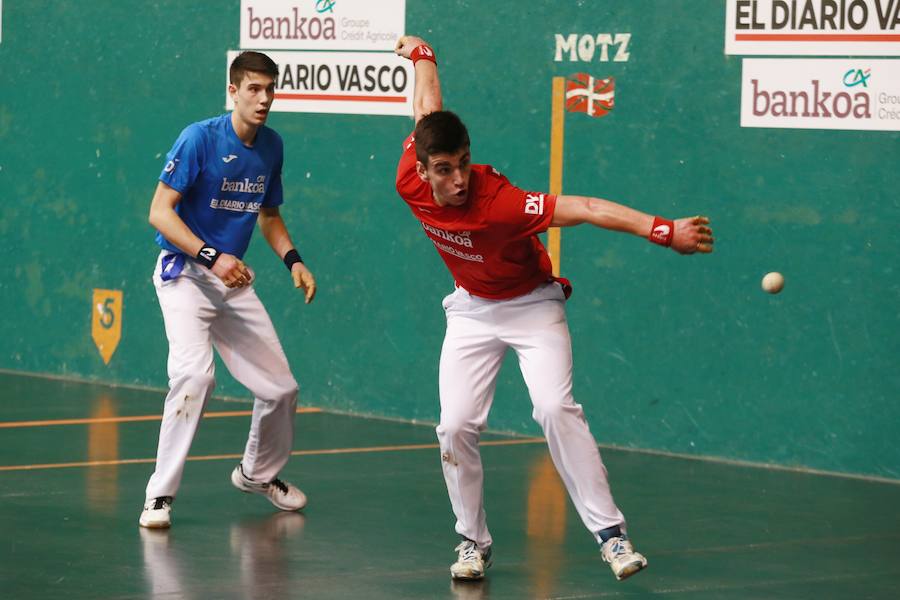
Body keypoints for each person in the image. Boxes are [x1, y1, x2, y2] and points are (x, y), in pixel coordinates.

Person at [393, 35, 714, 581]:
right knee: (454, 426)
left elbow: (585, 207)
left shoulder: (503, 204)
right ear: (421, 169)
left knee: (553, 408)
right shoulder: (409, 177)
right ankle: (472, 541)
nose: (458, 179)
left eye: (464, 164)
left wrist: (664, 231)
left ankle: (611, 536)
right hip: (471, 310)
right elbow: (426, 109)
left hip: (532, 307)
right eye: (444, 169)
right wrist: (424, 57)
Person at [139, 51, 317, 529]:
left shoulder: (272, 146)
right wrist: (212, 257)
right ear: (233, 92)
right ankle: (159, 496)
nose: (263, 99)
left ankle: (258, 474)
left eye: (270, 89)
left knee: (281, 389)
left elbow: (270, 216)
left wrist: (293, 261)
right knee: (195, 378)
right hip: (186, 275)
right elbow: (160, 212)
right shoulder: (199, 139)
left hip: (231, 281)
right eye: (253, 89)